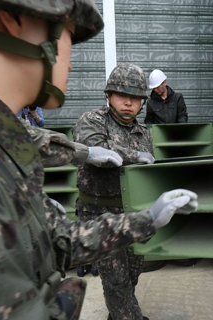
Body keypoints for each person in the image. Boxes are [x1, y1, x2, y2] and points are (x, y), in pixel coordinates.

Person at [0, 1, 200, 319]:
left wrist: (147, 218)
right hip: (97, 207)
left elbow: (58, 241)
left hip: (121, 217)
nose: (70, 61)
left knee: (129, 281)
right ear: (14, 17)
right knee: (119, 289)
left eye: (136, 98)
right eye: (69, 33)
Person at [73, 63, 156, 320]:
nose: (128, 102)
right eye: (122, 95)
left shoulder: (144, 132)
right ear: (108, 95)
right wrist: (135, 156)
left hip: (131, 213)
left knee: (132, 274)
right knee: (116, 281)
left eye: (135, 97)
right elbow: (95, 150)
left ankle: (118, 315)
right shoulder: (92, 120)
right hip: (98, 214)